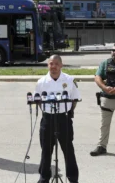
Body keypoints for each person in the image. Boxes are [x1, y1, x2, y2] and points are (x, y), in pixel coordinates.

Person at [35, 55, 80, 183]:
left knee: (68, 150)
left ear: (61, 65)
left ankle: (72, 178)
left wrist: (69, 112)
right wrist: (46, 112)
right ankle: (44, 177)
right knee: (46, 151)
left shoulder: (69, 80)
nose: (53, 66)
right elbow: (38, 100)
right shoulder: (41, 81)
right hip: (48, 119)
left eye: (56, 64)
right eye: (50, 64)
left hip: (63, 119)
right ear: (47, 65)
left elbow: (74, 98)